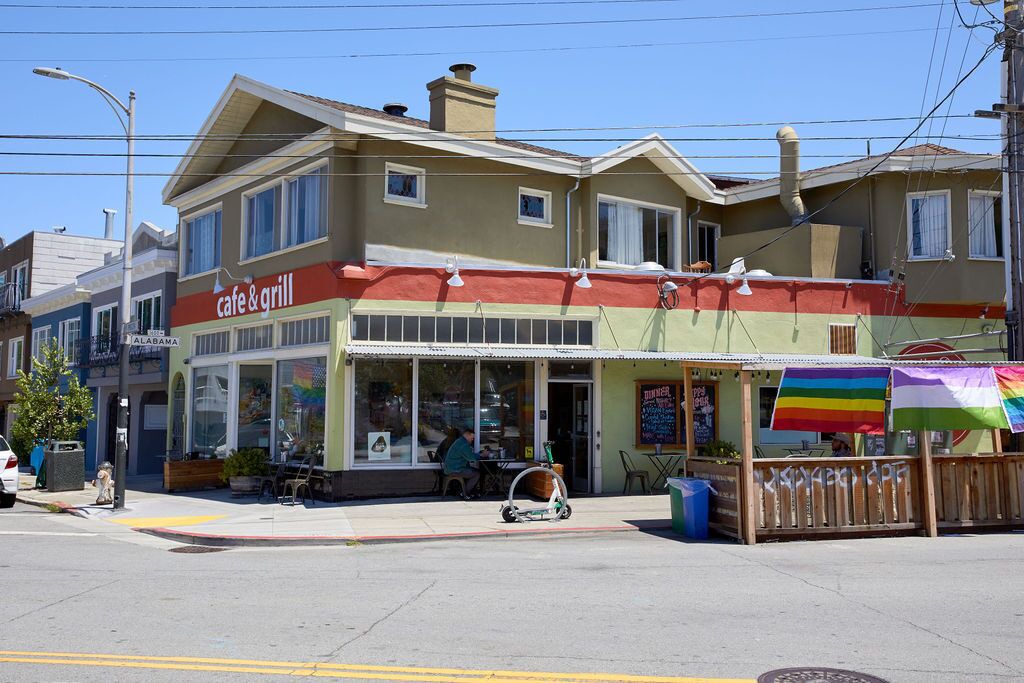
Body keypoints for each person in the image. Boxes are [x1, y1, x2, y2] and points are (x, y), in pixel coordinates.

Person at [442, 427, 480, 497]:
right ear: (468, 435)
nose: (472, 439)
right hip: (455, 470)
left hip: (451, 468)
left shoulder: (460, 441)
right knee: (476, 474)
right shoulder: (464, 445)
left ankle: (468, 492)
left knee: (472, 470)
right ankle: (464, 493)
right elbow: (471, 458)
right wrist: (482, 454)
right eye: (472, 438)